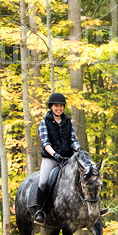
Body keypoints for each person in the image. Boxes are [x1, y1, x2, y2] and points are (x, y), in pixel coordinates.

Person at [34, 92, 81, 226]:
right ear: (51, 107)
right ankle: (40, 212)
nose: (59, 108)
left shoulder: (68, 121)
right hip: (51, 158)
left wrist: (78, 148)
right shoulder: (44, 122)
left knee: (84, 175)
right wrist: (55, 155)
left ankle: (91, 208)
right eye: (56, 106)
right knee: (43, 182)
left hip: (68, 159)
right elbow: (46, 143)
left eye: (61, 106)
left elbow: (73, 140)